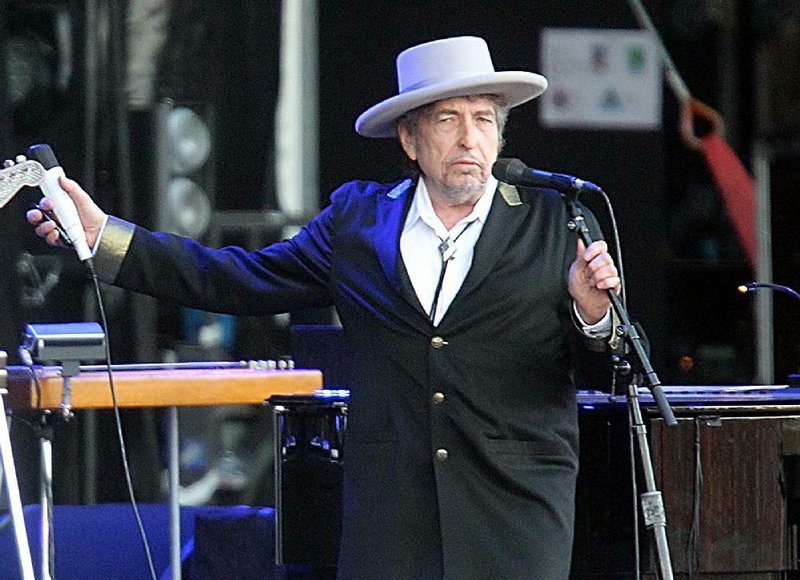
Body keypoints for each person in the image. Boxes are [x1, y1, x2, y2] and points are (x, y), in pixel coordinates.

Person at [28, 36, 620, 580]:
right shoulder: (359, 221)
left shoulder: (555, 219)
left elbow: (610, 370)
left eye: (484, 120)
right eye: (449, 120)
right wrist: (105, 235)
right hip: (391, 525)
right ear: (409, 139)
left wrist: (593, 316)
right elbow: (236, 279)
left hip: (514, 516)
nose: (470, 139)